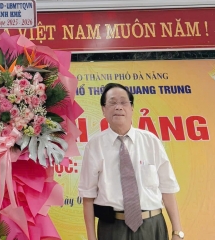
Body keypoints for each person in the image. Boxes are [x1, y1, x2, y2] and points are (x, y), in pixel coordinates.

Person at [78, 83, 184, 240]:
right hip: (113, 229)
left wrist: (177, 232)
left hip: (152, 225)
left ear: (132, 108)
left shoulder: (151, 141)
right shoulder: (94, 146)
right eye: (112, 102)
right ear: (103, 109)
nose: (118, 107)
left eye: (123, 102)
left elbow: (167, 188)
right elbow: (88, 196)